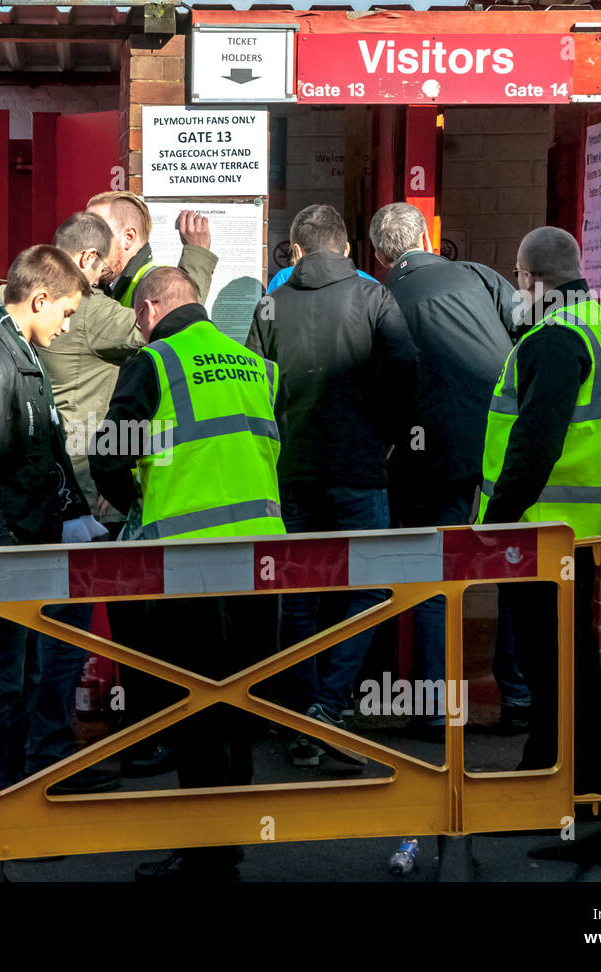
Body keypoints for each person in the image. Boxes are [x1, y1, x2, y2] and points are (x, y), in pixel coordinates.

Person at [0, 190, 215, 777]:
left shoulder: (0, 307)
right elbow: (172, 325)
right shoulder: (91, 314)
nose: (66, 321)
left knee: (15, 664)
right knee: (53, 647)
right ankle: (41, 763)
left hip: (34, 505)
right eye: (107, 261)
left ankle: (11, 778)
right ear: (81, 269)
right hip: (68, 502)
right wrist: (196, 262)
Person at [91, 267, 284, 881]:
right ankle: (230, 841)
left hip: (188, 560)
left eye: (138, 318)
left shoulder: (155, 363)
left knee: (194, 705)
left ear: (150, 309)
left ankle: (205, 852)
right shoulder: (252, 360)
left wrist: (134, 507)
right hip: (260, 558)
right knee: (240, 699)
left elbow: (111, 455)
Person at [245, 204, 418, 768]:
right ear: (346, 248)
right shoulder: (375, 298)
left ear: (295, 251)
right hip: (360, 469)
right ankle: (330, 704)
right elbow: (406, 374)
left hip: (291, 472)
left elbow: (254, 389)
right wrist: (388, 438)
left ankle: (305, 715)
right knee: (369, 590)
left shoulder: (270, 304)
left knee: (297, 597)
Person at [0, 244, 108, 798]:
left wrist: (74, 515)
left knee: (20, 679)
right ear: (39, 299)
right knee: (1, 687)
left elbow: (42, 452)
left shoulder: (17, 353)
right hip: (7, 554)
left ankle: (6, 802)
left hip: (23, 548)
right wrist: (1, 551)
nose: (67, 327)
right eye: (65, 313)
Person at [475, 225, 601, 799]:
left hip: (543, 528)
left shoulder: (554, 339)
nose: (518, 290)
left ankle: (569, 781)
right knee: (566, 655)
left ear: (532, 278)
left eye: (519, 279)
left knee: (554, 660)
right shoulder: (599, 328)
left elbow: (535, 444)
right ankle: (553, 767)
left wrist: (496, 521)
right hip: (578, 528)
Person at [369, 202, 529, 737]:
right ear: (428, 238)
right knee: (513, 567)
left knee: (436, 578)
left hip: (430, 457)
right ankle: (522, 698)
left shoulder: (382, 297)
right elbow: (529, 332)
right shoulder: (480, 276)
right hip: (500, 448)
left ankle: (435, 709)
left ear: (379, 255)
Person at [86, 190, 216, 310]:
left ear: (129, 237)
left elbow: (180, 318)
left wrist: (197, 254)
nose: (85, 241)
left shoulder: (155, 285)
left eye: (96, 232)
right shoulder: (106, 284)